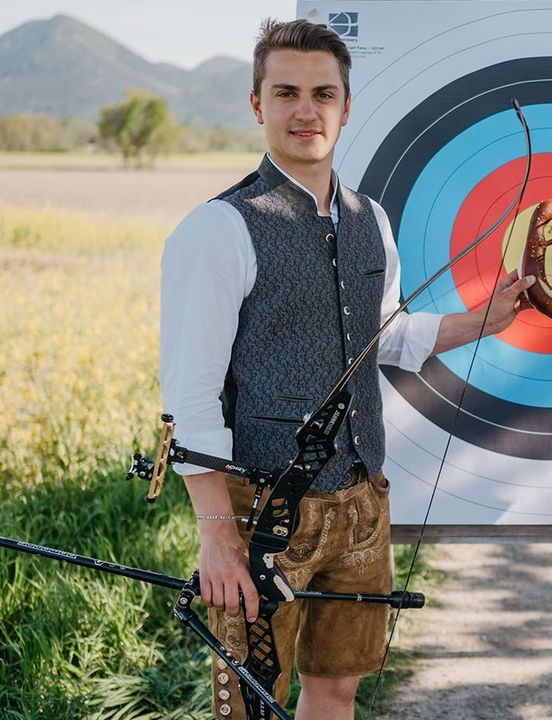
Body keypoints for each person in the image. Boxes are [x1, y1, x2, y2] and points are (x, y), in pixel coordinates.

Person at [159, 18, 533, 720]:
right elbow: (191, 395)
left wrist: (488, 320)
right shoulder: (219, 228)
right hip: (262, 512)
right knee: (248, 701)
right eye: (287, 92)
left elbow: (386, 338)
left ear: (346, 105)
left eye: (322, 93)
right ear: (257, 104)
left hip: (362, 506)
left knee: (336, 688)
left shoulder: (371, 219)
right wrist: (217, 534)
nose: (306, 110)